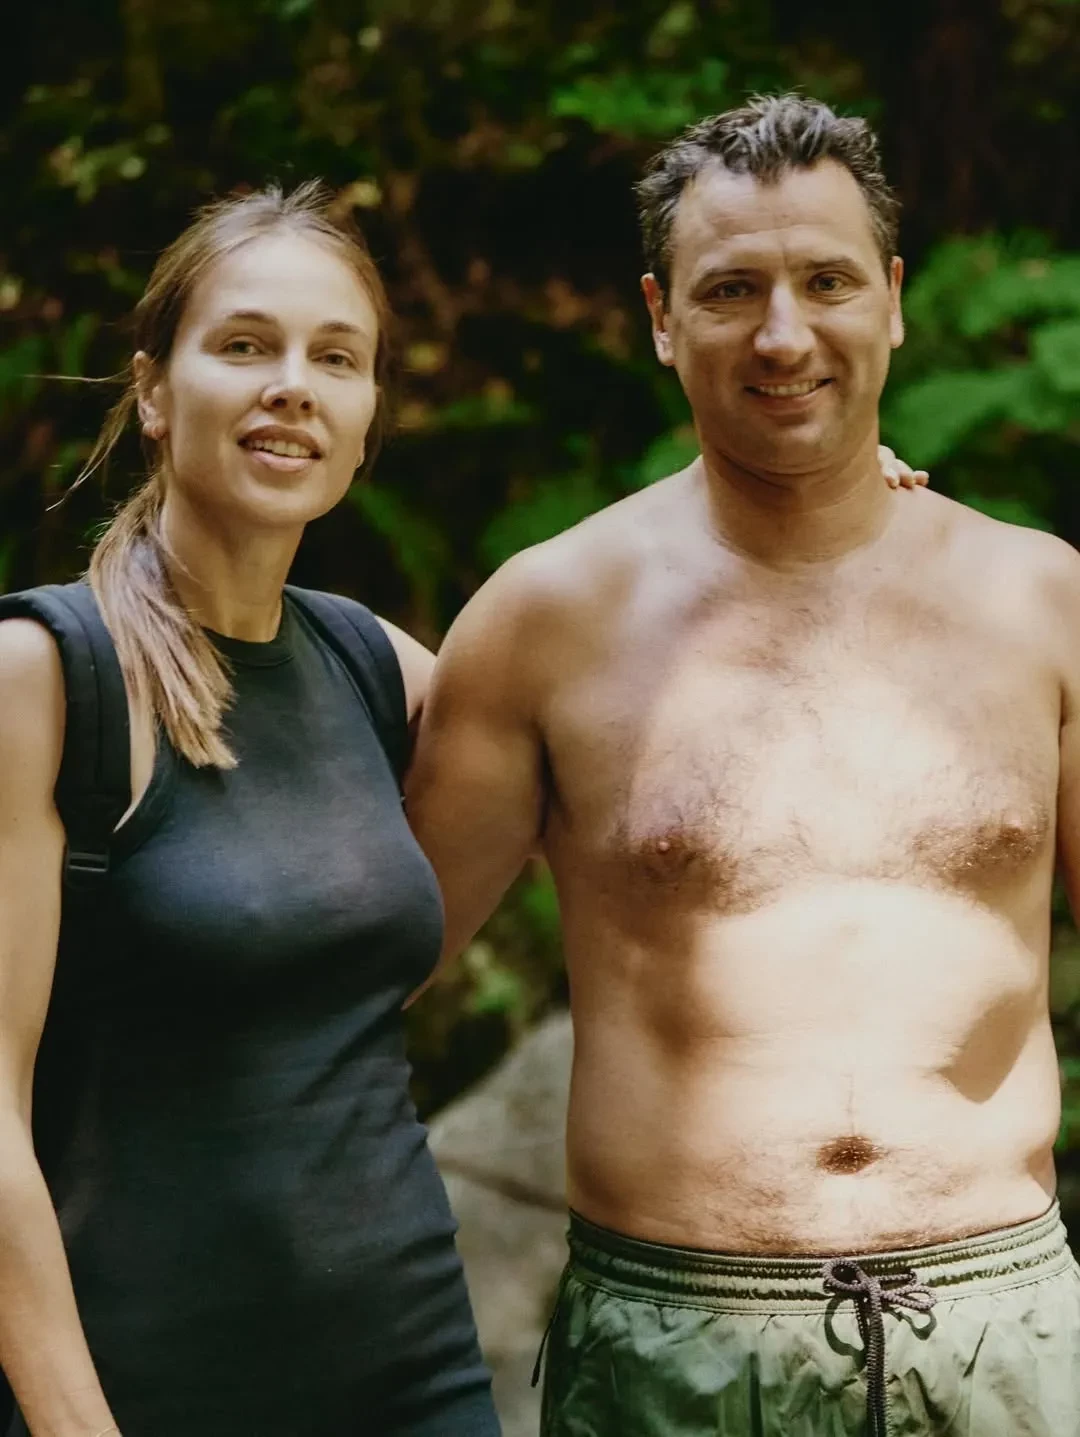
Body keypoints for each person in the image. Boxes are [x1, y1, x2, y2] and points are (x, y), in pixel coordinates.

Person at [404, 94, 1080, 1437]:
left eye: (827, 281)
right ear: (662, 318)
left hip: (1001, 1339)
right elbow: (362, 974)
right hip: (675, 1347)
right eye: (731, 291)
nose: (784, 335)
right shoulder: (549, 622)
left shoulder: (1043, 601)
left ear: (892, 299)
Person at [0, 184, 502, 1436]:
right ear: (154, 392)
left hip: (417, 1377)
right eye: (244, 345)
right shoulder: (48, 681)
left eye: (335, 358)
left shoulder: (373, 666)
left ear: (368, 415)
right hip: (145, 1389)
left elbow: (620, 737)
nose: (292, 386)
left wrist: (822, 504)